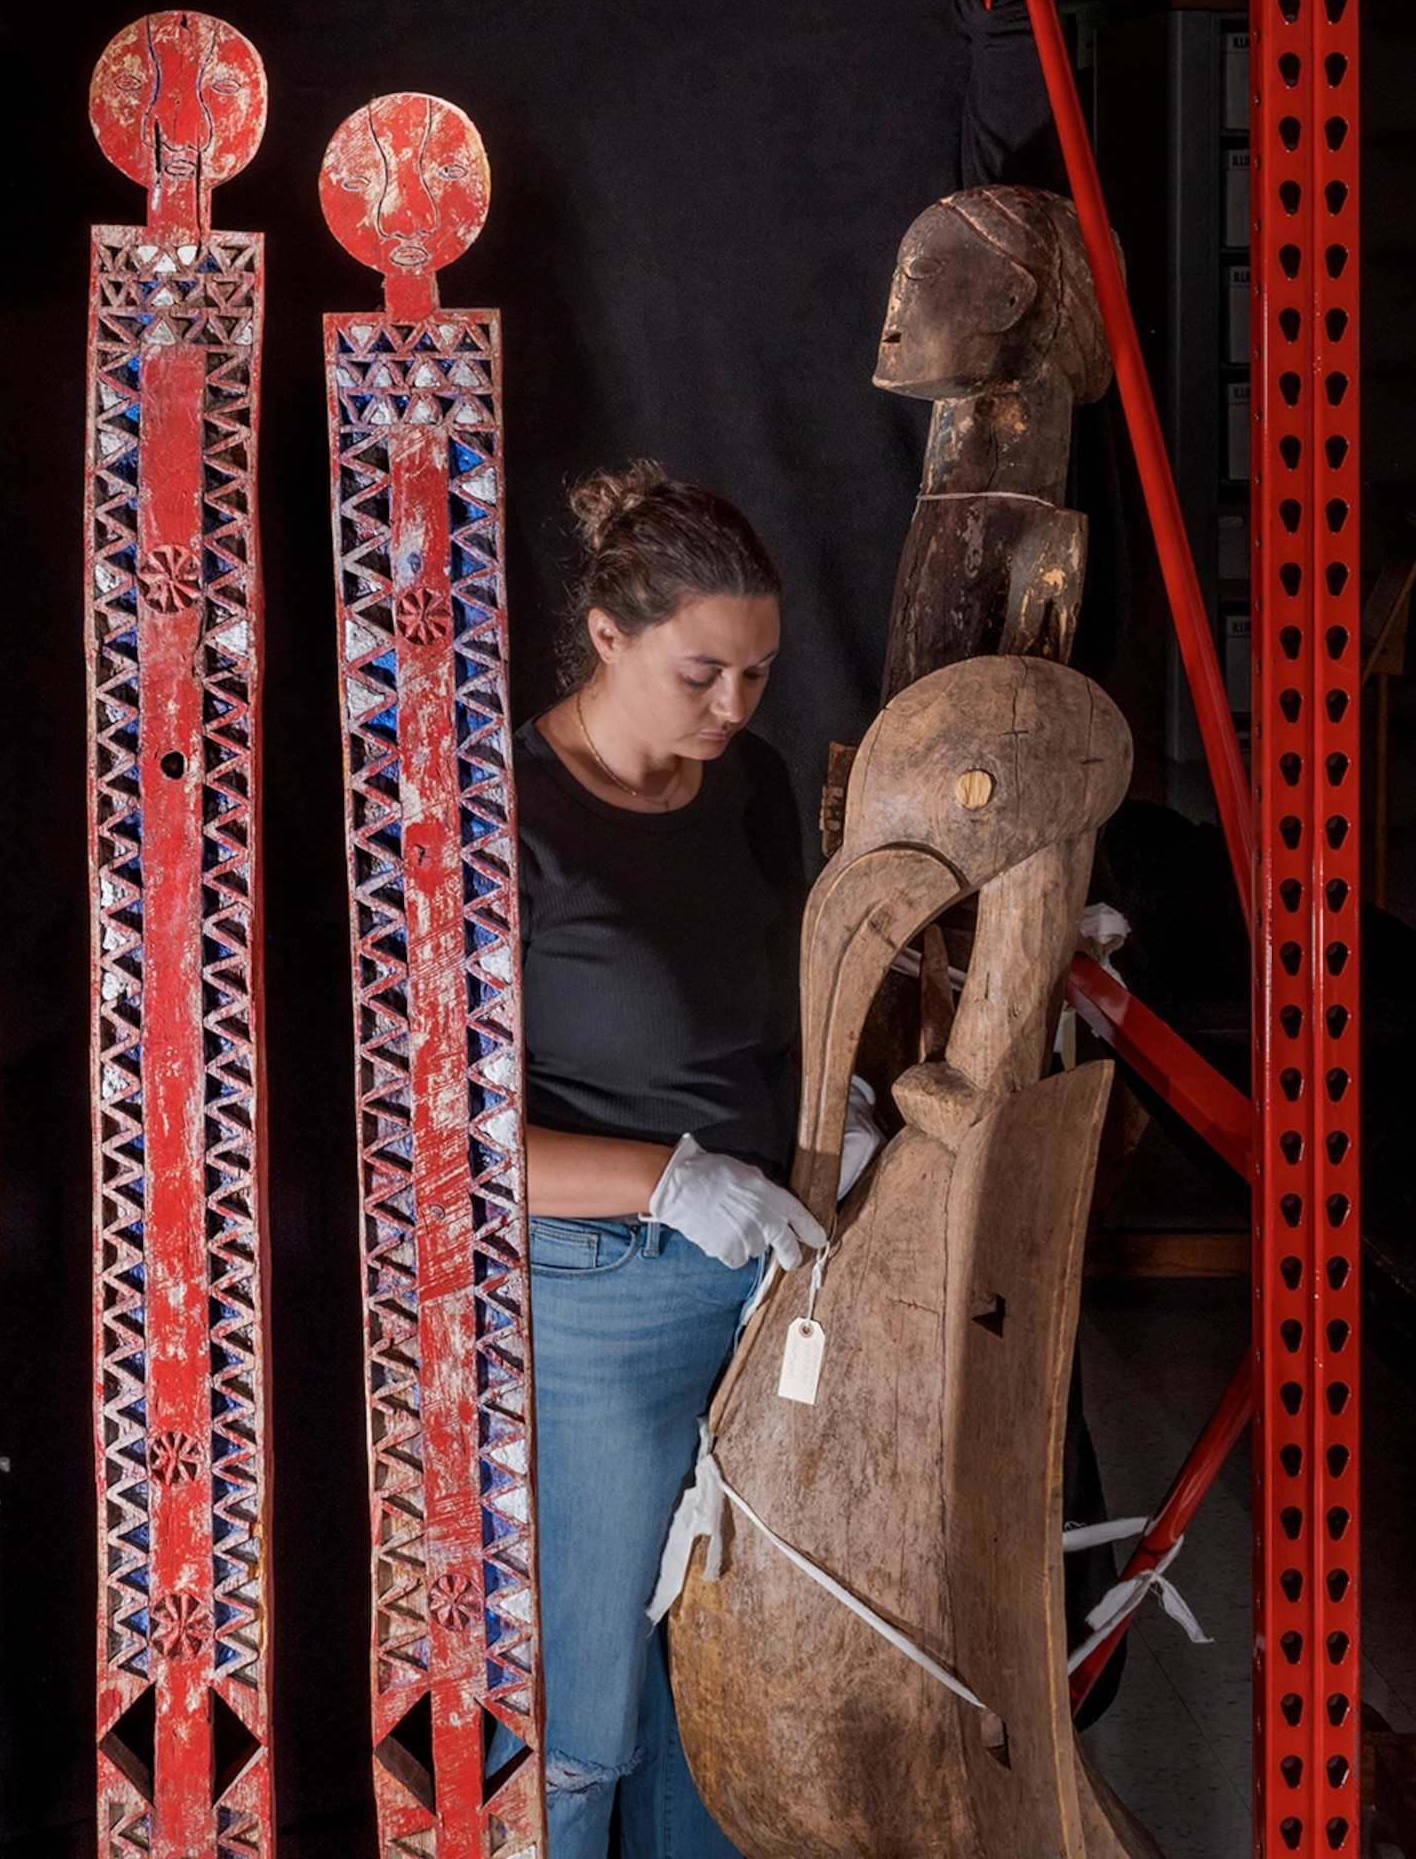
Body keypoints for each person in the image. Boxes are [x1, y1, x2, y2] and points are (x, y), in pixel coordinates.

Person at [519, 463, 859, 1859]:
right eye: (702, 673)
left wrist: (836, 1116)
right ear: (609, 636)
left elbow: (777, 1005)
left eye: (759, 675)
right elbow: (427, 1139)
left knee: (724, 1684)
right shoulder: (504, 812)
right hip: (593, 1297)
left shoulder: (750, 785)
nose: (734, 707)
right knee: (587, 1707)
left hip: (757, 1276)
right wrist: (663, 1179)